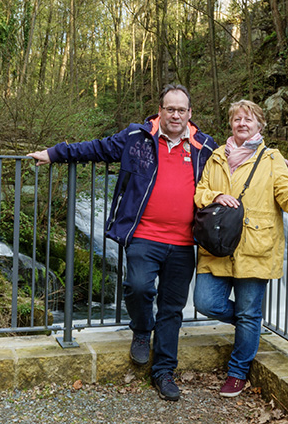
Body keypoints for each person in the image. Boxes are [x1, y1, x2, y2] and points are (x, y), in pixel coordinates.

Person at [27, 84, 217, 401]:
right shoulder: (137, 137)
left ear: (190, 113)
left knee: (172, 309)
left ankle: (164, 373)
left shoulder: (204, 146)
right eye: (169, 109)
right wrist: (54, 153)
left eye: (181, 110)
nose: (175, 115)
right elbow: (97, 148)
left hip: (185, 242)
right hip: (143, 234)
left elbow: (235, 163)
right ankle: (142, 328)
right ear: (160, 110)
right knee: (138, 287)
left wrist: (272, 162)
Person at [192, 99, 288, 398]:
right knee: (206, 302)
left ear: (259, 125)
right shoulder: (217, 156)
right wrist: (216, 195)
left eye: (248, 119)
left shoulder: (272, 160)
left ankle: (237, 372)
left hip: (254, 246)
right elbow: (200, 192)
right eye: (237, 119)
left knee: (248, 311)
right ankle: (252, 324)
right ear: (231, 124)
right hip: (217, 245)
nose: (242, 124)